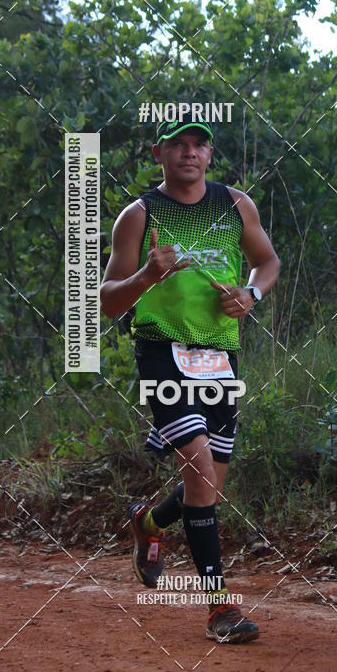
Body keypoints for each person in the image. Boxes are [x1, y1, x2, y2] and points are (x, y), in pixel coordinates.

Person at [100, 116, 280, 642]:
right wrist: (146, 276)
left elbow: (267, 263)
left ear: (210, 153)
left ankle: (148, 524)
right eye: (178, 144)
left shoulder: (235, 204)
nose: (190, 153)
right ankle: (220, 609)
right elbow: (108, 301)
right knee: (200, 473)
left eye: (199, 144)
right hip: (162, 351)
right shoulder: (138, 216)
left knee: (207, 489)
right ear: (159, 153)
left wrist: (251, 295)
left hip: (221, 356)